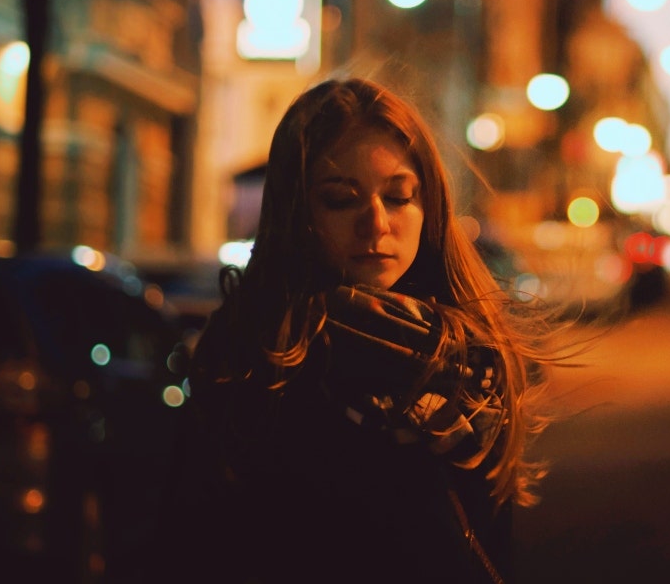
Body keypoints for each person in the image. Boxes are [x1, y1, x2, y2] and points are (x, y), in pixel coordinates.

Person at [147, 76, 573, 583]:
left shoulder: (469, 358)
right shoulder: (250, 357)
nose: (376, 223)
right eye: (340, 199)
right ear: (297, 211)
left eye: (398, 197)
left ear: (429, 207)